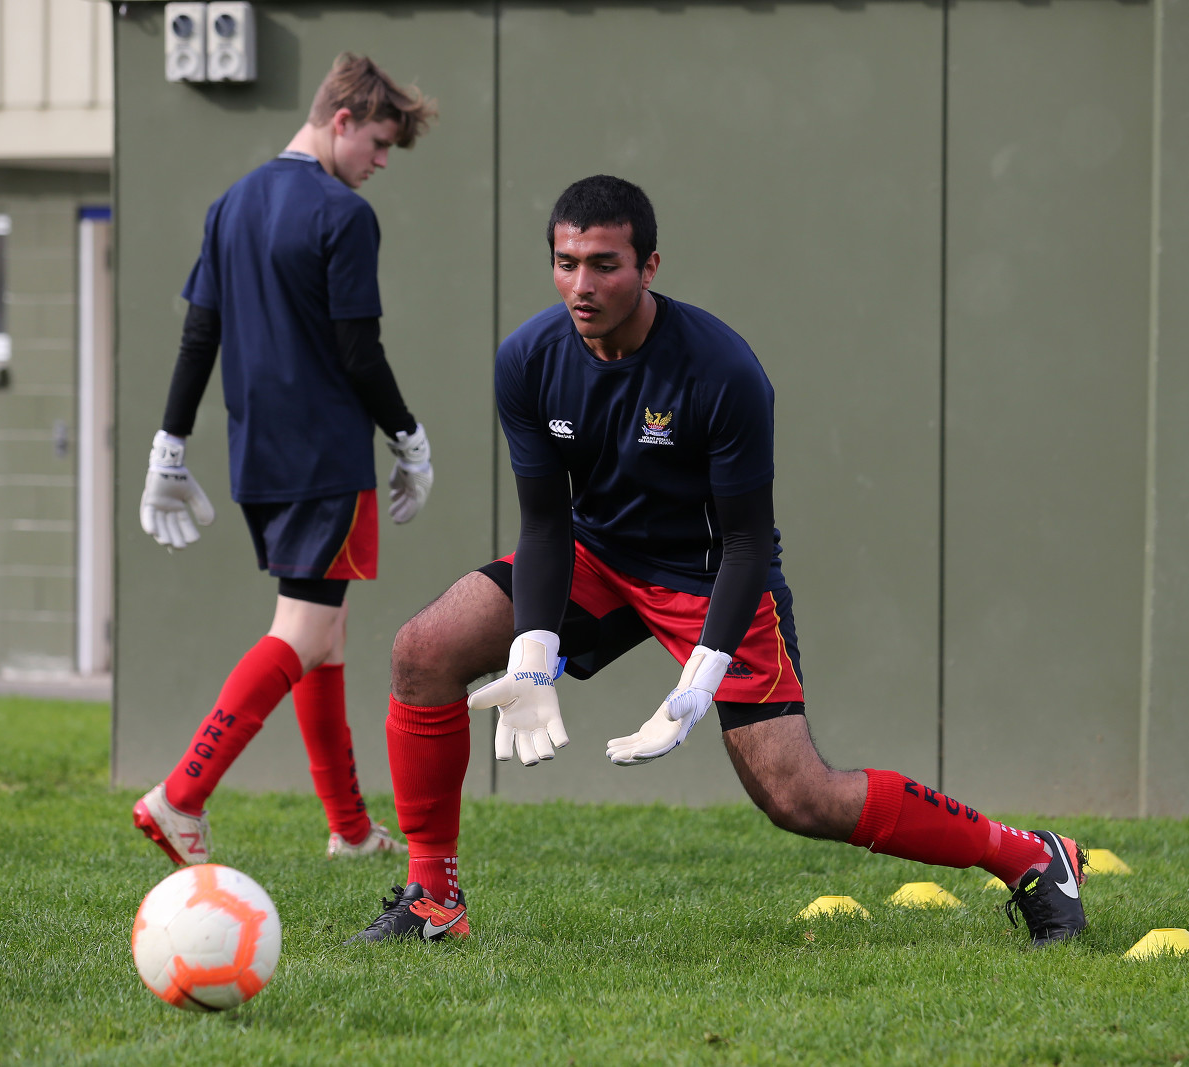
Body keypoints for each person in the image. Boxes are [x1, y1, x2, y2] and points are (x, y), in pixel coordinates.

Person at [346, 175, 1089, 948]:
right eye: (566, 263)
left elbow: (745, 543)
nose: (582, 285)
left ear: (649, 266)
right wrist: (533, 656)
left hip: (709, 576)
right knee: (422, 650)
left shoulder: (721, 369)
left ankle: (1031, 856)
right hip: (595, 556)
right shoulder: (528, 359)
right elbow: (544, 523)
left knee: (798, 796)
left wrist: (698, 685)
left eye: (604, 264)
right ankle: (434, 900)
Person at [132, 53, 438, 867]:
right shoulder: (343, 214)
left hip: (259, 463)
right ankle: (181, 795)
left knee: (324, 632)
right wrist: (408, 437)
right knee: (301, 631)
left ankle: (350, 829)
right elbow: (358, 351)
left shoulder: (230, 204)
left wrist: (170, 444)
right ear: (342, 120)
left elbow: (199, 335)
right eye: (379, 143)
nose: (381, 162)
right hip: (327, 461)